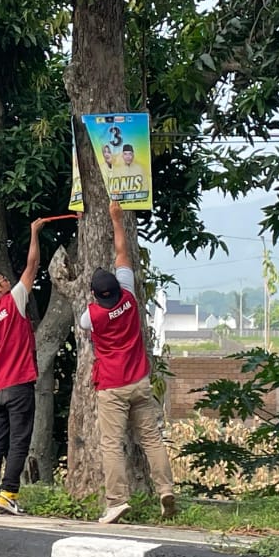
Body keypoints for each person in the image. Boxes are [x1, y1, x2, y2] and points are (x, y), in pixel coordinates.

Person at [79, 201, 178, 524]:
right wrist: (117, 219)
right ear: (117, 289)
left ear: (96, 295)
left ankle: (117, 500)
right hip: (139, 381)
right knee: (151, 438)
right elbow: (122, 253)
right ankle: (165, 489)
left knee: (111, 444)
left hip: (111, 386)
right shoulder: (130, 296)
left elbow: (84, 321)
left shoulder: (91, 317)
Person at [0, 218, 47, 514]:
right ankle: (8, 494)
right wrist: (34, 233)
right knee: (19, 440)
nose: (8, 280)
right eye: (3, 279)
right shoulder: (14, 301)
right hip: (19, 384)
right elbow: (33, 265)